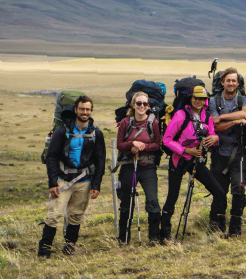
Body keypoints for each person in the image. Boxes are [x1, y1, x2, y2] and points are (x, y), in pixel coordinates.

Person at [38, 95, 105, 258]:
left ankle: (69, 248)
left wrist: (96, 185)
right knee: (54, 214)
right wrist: (52, 182)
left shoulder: (96, 133)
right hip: (62, 180)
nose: (85, 112)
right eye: (82, 108)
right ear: (75, 110)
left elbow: (100, 160)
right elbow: (52, 157)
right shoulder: (62, 131)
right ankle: (44, 249)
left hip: (85, 180)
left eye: (88, 109)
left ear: (91, 111)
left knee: (76, 216)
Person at [160, 85, 224, 242]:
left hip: (197, 161)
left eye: (202, 99)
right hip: (179, 160)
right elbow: (166, 139)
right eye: (196, 98)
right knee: (172, 196)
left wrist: (216, 138)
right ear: (190, 98)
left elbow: (211, 136)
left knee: (219, 193)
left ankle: (215, 229)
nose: (199, 101)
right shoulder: (181, 115)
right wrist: (185, 151)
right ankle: (164, 235)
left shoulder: (207, 116)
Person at [116, 92, 162, 246]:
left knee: (152, 200)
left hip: (148, 167)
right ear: (133, 104)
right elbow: (120, 145)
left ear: (148, 106)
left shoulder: (153, 122)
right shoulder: (125, 122)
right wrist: (132, 144)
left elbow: (157, 144)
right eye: (139, 103)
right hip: (128, 166)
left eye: (145, 104)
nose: (142, 106)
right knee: (126, 202)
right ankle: (124, 239)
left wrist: (143, 147)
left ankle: (154, 238)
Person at [209, 68, 246, 237]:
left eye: (234, 81)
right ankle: (216, 228)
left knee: (238, 191)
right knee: (218, 191)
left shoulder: (244, 99)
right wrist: (236, 121)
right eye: (228, 80)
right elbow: (215, 126)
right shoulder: (213, 101)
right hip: (218, 153)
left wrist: (223, 117)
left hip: (238, 152)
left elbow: (245, 113)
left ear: (238, 83)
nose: (231, 83)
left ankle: (235, 230)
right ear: (222, 82)